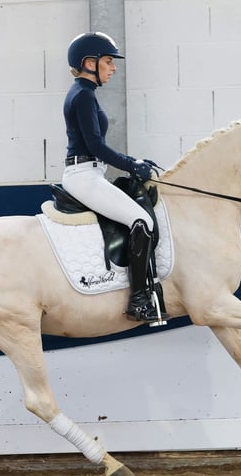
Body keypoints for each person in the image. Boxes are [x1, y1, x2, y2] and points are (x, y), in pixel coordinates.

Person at [62, 31, 167, 325]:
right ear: (89, 63)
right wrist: (132, 164)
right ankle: (139, 300)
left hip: (90, 172)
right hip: (83, 174)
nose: (113, 67)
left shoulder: (86, 94)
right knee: (142, 221)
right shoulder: (83, 96)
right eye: (108, 61)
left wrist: (133, 163)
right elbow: (96, 146)